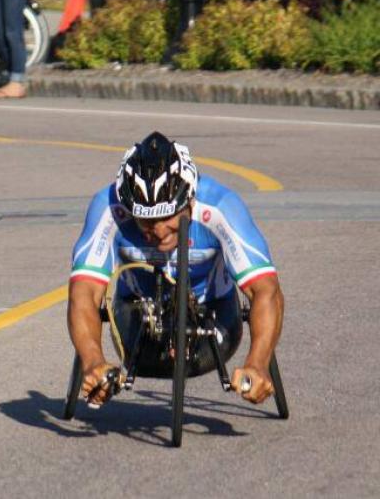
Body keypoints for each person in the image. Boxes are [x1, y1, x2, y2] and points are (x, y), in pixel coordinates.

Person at [67, 131, 284, 407]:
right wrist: (92, 361)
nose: (157, 231)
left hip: (215, 316)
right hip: (135, 318)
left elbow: (266, 290)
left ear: (189, 201)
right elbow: (83, 293)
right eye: (145, 222)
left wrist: (258, 363)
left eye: (167, 217)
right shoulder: (108, 208)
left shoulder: (221, 205)